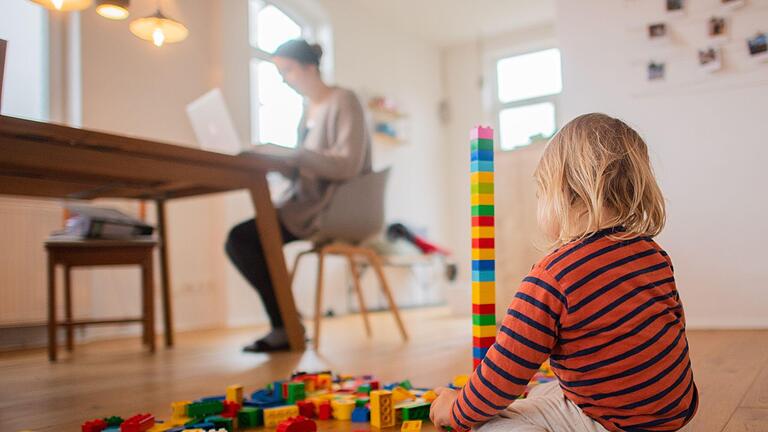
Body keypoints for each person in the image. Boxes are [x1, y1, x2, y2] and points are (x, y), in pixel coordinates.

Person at [430, 113, 698, 432]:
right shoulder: (653, 254)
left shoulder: (553, 275)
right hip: (672, 415)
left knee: (491, 426)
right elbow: (672, 327)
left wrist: (457, 409)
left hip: (612, 424)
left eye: (540, 192)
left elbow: (505, 371)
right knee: (545, 389)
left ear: (564, 193)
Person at [225, 39, 371, 352]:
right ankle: (286, 321)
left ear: (309, 67)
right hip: (304, 203)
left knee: (243, 238)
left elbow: (347, 164)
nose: (285, 79)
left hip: (329, 207)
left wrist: (291, 154)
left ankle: (284, 324)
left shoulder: (344, 100)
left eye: (288, 70)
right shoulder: (307, 113)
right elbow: (306, 167)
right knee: (242, 239)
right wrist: (277, 162)